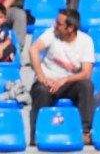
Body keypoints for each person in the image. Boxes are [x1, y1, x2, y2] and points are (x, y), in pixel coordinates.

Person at [29, 9, 95, 146]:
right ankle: (38, 134)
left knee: (86, 85)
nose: (55, 25)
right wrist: (41, 76)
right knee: (40, 90)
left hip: (69, 83)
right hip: (48, 82)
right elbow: (33, 49)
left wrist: (64, 80)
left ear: (70, 28)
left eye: (59, 24)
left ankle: (85, 132)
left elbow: (86, 73)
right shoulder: (51, 33)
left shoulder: (86, 41)